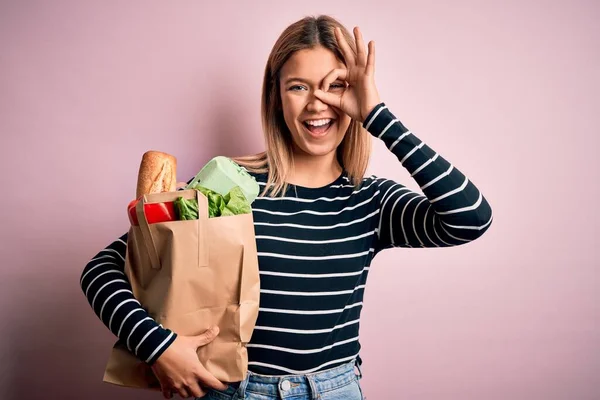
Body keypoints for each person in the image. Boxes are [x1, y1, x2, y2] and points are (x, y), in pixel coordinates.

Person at [81, 15, 493, 400]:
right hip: (237, 390)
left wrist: (377, 116)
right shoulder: (229, 186)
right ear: (276, 97)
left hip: (336, 388)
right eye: (299, 87)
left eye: (335, 85)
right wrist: (158, 347)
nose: (317, 104)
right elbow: (102, 269)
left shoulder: (372, 201)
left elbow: (471, 217)